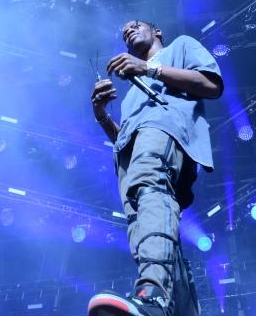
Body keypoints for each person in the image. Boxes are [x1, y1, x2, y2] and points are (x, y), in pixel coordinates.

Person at [87, 20, 224, 316]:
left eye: (135, 25)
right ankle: (175, 310)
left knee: (151, 188)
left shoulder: (181, 46)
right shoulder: (132, 92)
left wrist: (148, 68)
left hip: (165, 131)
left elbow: (212, 86)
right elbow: (125, 136)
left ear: (157, 31)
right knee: (143, 227)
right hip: (127, 157)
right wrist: (100, 115)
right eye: (124, 32)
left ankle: (153, 293)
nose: (128, 30)